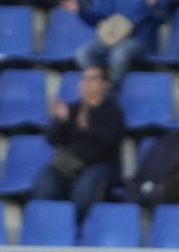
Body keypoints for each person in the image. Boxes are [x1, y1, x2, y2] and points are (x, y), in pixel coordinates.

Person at [31, 64, 125, 216]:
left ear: (104, 84)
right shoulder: (72, 110)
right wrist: (61, 122)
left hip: (98, 165)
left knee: (83, 193)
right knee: (42, 191)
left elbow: (109, 142)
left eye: (92, 79)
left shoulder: (112, 112)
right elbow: (52, 140)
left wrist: (86, 129)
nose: (86, 83)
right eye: (84, 78)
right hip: (69, 165)